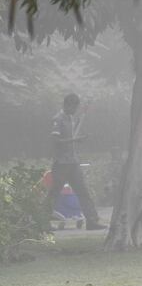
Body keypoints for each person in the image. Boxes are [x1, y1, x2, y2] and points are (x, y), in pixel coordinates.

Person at [48, 93, 106, 230]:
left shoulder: (71, 119)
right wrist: (74, 140)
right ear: (67, 105)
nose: (74, 110)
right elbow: (56, 141)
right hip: (61, 163)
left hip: (73, 162)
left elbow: (73, 133)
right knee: (54, 193)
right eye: (73, 107)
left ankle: (92, 221)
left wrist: (76, 138)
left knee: (83, 191)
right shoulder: (58, 119)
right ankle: (41, 222)